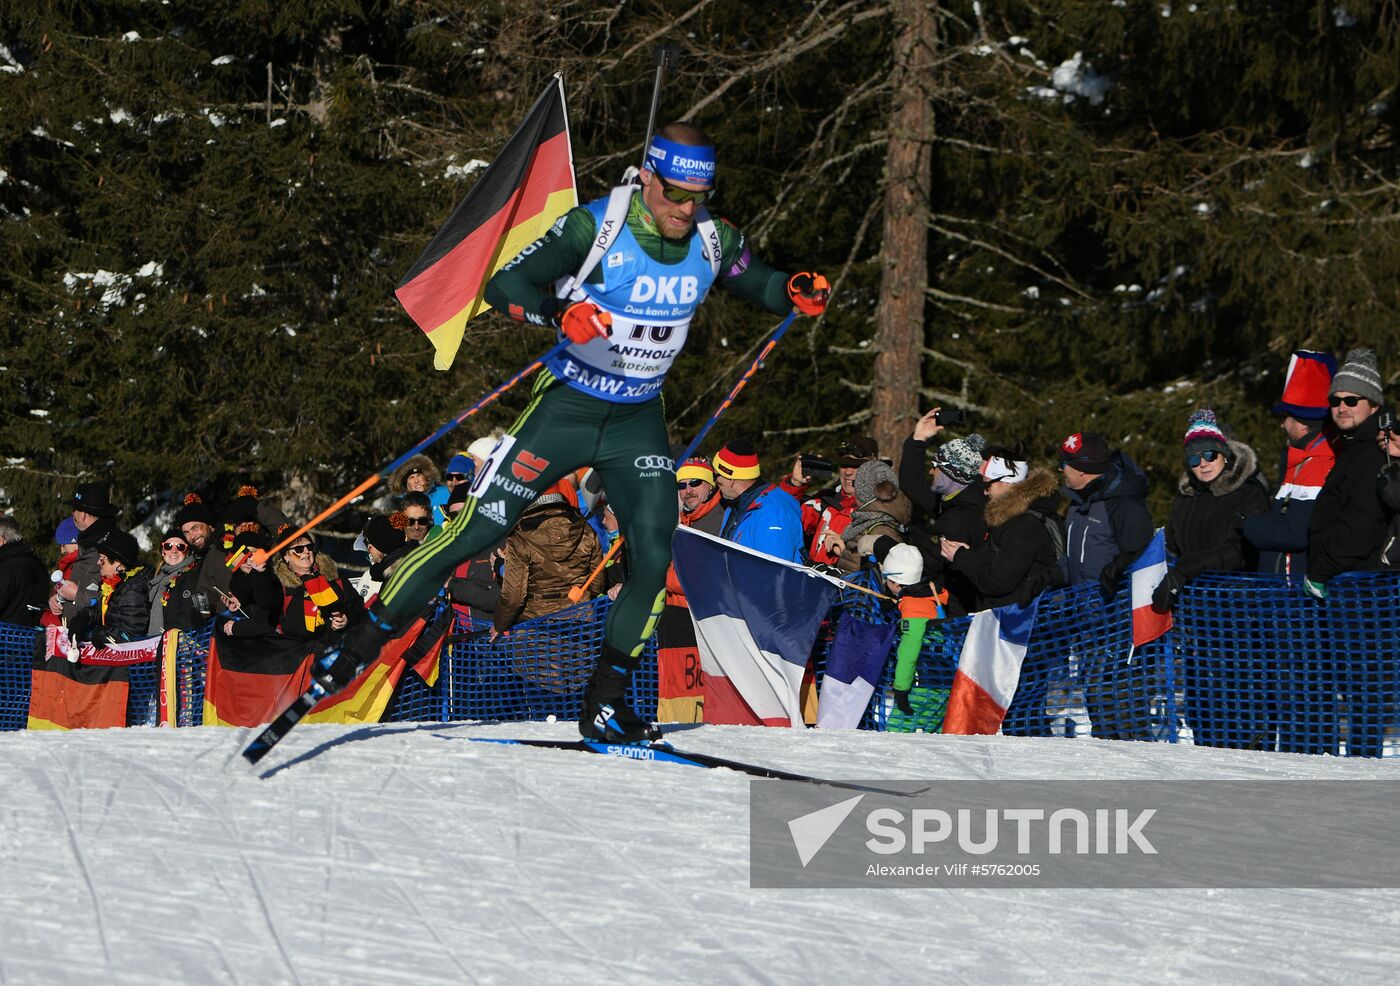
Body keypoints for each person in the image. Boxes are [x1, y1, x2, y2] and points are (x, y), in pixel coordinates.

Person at [337, 121, 830, 743]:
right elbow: (505, 285)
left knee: (653, 554)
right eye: (674, 192)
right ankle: (358, 645)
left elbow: (752, 279)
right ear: (648, 175)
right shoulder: (595, 227)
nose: (685, 208)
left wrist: (788, 289)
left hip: (637, 421)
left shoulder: (713, 237)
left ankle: (602, 703)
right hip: (566, 410)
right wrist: (558, 312)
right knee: (480, 531)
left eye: (697, 197)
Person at [1152, 409, 1271, 749]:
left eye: (1209, 454)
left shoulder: (1248, 493)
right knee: (1204, 711)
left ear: (1225, 453)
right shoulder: (1185, 500)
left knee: (1241, 711)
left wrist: (1186, 569)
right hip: (1197, 623)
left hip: (1241, 622)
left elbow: (1241, 551)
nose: (1202, 463)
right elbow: (1171, 546)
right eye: (1193, 457)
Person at [1304, 348, 1392, 758]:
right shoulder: (1354, 447)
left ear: (1372, 404)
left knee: (1364, 686)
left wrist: (1319, 569)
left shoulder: (1374, 452)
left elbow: (1361, 524)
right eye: (1335, 400)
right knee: (1353, 683)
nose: (1341, 407)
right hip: (1348, 586)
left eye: (1351, 400)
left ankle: (1364, 762)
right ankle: (1358, 757)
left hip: (1362, 588)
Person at [1058, 431, 1154, 740]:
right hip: (1088, 626)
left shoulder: (1124, 504)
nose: (1061, 469)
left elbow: (1142, 555)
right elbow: (1075, 559)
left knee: (1123, 710)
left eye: (1065, 464)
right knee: (1098, 709)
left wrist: (1120, 567)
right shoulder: (1076, 505)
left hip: (1120, 627)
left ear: (1084, 469)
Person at [1242, 350, 1337, 579]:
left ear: (1300, 421)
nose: (1282, 426)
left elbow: (1294, 533)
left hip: (1297, 597)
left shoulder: (1318, 462)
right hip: (1285, 593)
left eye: (1284, 417)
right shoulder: (1299, 459)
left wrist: (1246, 525)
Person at [940, 447, 1062, 611]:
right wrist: (969, 553)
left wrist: (961, 557)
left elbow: (997, 582)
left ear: (1005, 483)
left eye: (988, 485)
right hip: (1015, 618)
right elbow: (1000, 565)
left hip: (1021, 624)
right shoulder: (1013, 519)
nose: (985, 492)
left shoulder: (1022, 525)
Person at [493, 482, 604, 633]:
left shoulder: (520, 535)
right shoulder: (586, 529)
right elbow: (597, 583)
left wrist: (500, 625)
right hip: (579, 623)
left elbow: (513, 597)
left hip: (535, 627)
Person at [780, 437, 878, 566]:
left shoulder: (880, 511)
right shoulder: (825, 502)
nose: (848, 472)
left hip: (849, 584)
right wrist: (795, 484)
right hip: (810, 582)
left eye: (856, 466)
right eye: (844, 465)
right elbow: (783, 519)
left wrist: (846, 551)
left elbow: (885, 570)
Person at [714, 442, 805, 563]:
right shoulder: (734, 507)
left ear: (730, 479)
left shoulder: (774, 514)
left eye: (716, 475)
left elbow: (775, 573)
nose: (714, 481)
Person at [825, 458, 911, 575]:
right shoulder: (869, 521)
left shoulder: (880, 530)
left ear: (865, 491)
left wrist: (846, 552)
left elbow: (881, 580)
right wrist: (845, 550)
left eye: (856, 484)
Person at [69, 530, 153, 647]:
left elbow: (130, 633)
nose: (98, 562)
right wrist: (84, 617)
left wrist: (99, 634)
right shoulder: (115, 583)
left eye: (102, 559)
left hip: (127, 661)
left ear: (118, 563)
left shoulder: (133, 590)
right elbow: (104, 610)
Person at [275, 533, 364, 640]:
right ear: (286, 556)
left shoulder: (332, 576)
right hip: (302, 652)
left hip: (340, 647)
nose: (306, 551)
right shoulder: (279, 586)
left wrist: (347, 619)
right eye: (299, 549)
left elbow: (357, 605)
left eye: (309, 547)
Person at [55, 481, 120, 622]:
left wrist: (78, 595)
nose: (73, 514)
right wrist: (59, 598)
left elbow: (119, 598)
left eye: (75, 509)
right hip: (77, 634)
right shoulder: (87, 543)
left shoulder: (111, 547)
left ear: (83, 515)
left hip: (97, 637)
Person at [146, 529, 201, 635]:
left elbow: (188, 616)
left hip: (180, 645)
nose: (174, 551)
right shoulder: (158, 581)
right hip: (160, 643)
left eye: (180, 547)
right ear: (163, 551)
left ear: (187, 552)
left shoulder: (191, 576)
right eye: (168, 546)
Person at [0, 515, 47, 626]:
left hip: (7, 636)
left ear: (1, 540)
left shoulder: (7, 568)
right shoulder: (37, 563)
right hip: (33, 635)